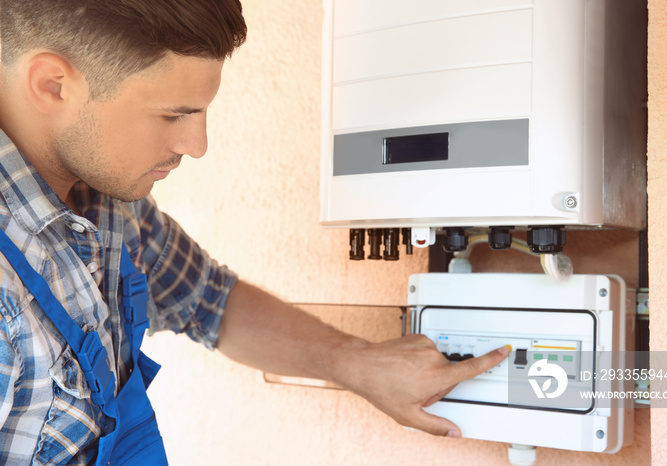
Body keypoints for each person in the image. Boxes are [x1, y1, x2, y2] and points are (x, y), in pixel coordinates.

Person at [0, 0, 509, 463]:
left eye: (201, 111)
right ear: (53, 85)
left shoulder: (107, 203)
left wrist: (356, 363)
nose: (196, 144)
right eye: (173, 114)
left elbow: (206, 297)